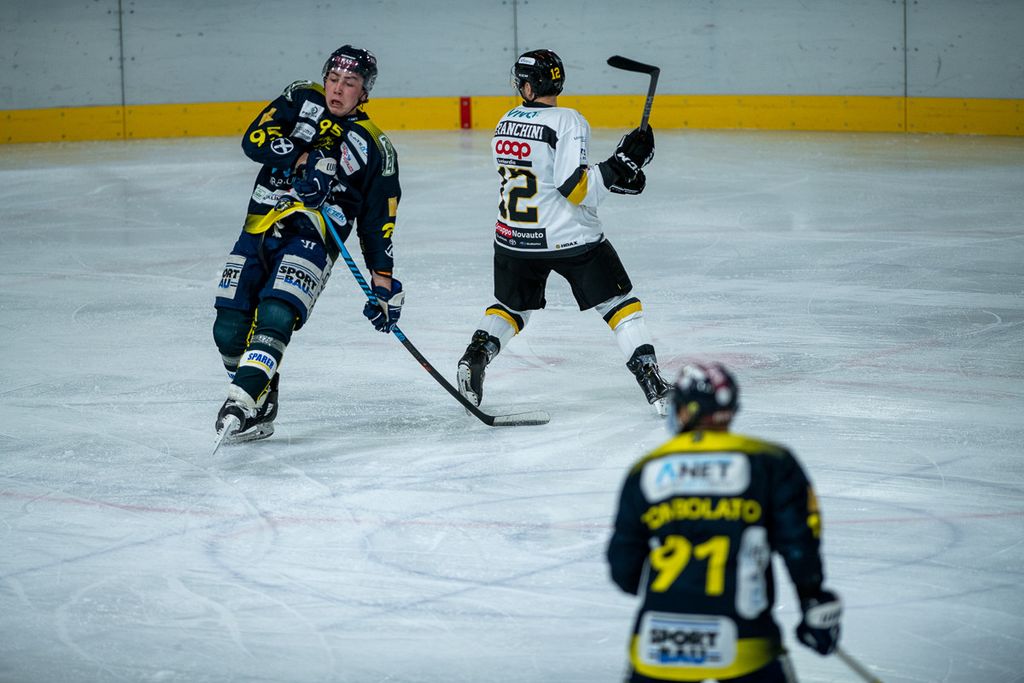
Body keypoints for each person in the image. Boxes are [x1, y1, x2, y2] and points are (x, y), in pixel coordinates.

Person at [456, 49, 672, 415]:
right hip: (568, 238)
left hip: (513, 237)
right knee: (618, 303)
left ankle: (476, 356)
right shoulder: (568, 120)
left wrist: (618, 172)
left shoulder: (506, 121)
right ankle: (652, 382)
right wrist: (623, 163)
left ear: (528, 86)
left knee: (512, 308)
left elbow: (545, 178)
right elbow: (576, 188)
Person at [212, 45, 403, 442]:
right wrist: (303, 160)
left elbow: (377, 221)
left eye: (349, 83)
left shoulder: (375, 145)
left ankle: (241, 399)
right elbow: (254, 139)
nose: (338, 90)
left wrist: (382, 279)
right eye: (333, 79)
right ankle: (261, 394)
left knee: (277, 314)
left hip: (313, 238)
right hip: (259, 225)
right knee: (228, 329)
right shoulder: (301, 98)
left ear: (365, 91)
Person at [606, 363, 842, 682]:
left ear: (685, 410)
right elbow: (800, 545)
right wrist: (812, 599)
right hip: (746, 644)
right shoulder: (770, 462)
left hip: (658, 645)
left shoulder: (646, 470)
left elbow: (624, 571)